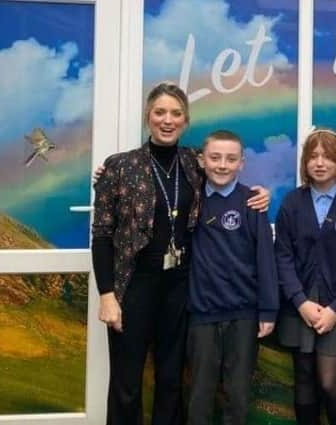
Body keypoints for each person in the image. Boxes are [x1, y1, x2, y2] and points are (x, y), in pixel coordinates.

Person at [91, 81, 270, 425]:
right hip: (134, 287)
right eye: (160, 112)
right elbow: (101, 236)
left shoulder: (194, 163)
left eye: (175, 113)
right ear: (148, 117)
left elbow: (227, 173)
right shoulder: (119, 167)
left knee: (171, 380)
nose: (167, 120)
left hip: (179, 287)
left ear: (185, 121)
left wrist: (263, 194)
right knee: (127, 383)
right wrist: (107, 295)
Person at [274, 128, 336, 425]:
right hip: (299, 307)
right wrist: (301, 302)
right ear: (305, 162)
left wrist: (335, 309)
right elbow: (282, 257)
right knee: (304, 384)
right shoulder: (292, 202)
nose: (320, 163)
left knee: (330, 385)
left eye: (327, 156)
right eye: (313, 156)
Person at [184, 129, 278, 425]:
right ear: (201, 160)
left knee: (237, 395)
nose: (222, 165)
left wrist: (268, 308)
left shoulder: (252, 202)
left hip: (244, 314)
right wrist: (108, 172)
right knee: (199, 394)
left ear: (242, 164)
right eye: (215, 158)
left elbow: (265, 257)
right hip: (202, 314)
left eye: (230, 159)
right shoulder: (191, 200)